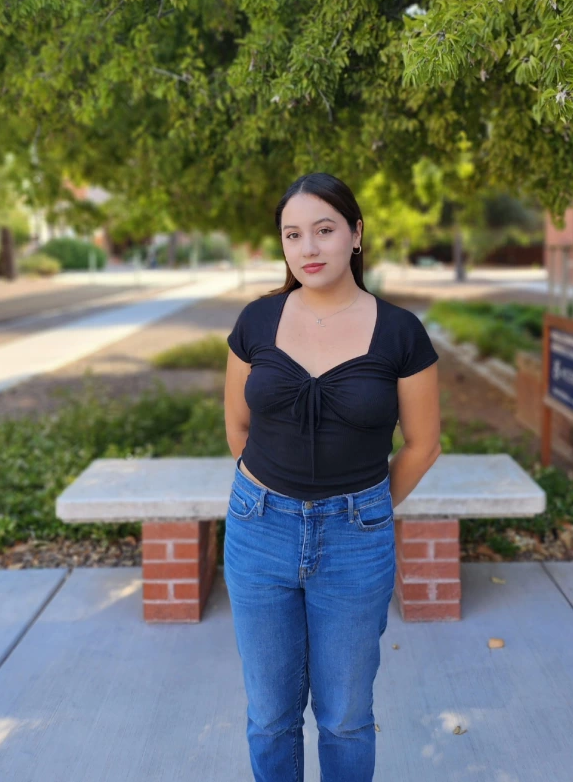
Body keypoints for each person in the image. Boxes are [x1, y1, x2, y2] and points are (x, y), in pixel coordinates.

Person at [223, 172, 442, 782]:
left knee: (345, 716)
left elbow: (424, 445)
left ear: (356, 234)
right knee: (270, 716)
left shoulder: (401, 332)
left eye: (324, 230)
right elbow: (238, 429)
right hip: (258, 528)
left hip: (356, 539)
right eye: (293, 234)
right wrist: (273, 499)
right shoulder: (256, 322)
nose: (309, 248)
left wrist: (365, 510)